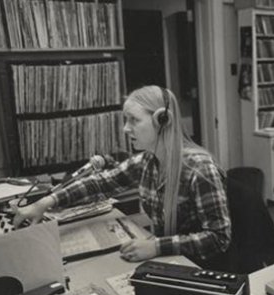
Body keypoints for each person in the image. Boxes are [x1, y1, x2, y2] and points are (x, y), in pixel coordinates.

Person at [13, 86, 231, 264]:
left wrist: (156, 246)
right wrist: (45, 202)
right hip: (170, 258)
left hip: (199, 267)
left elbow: (218, 238)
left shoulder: (200, 169)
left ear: (162, 120)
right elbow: (99, 183)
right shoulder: (146, 161)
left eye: (134, 120)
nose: (126, 129)